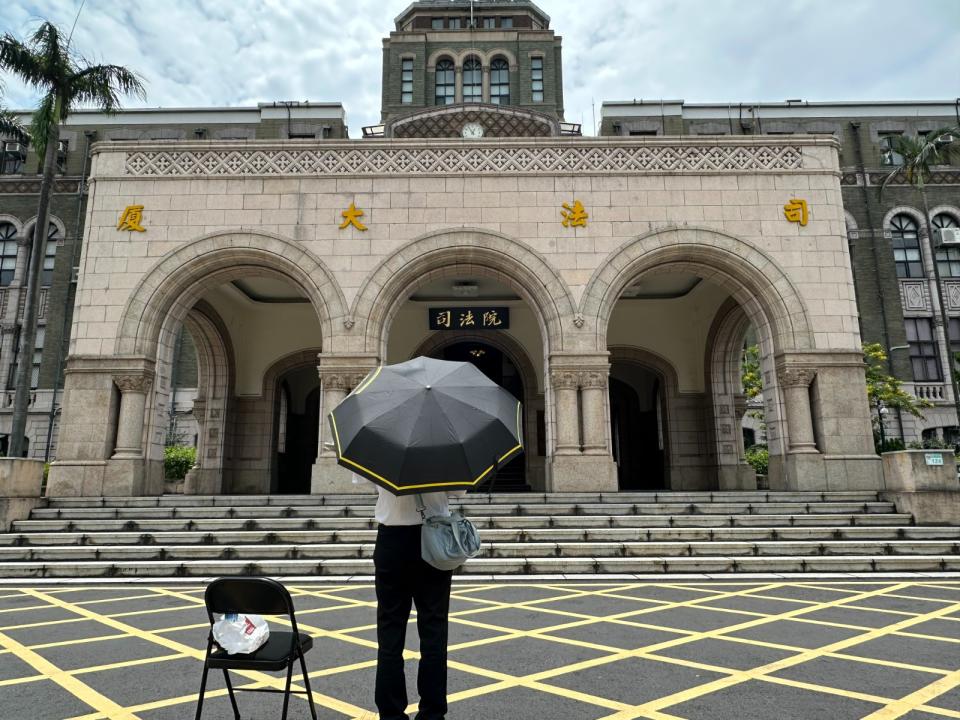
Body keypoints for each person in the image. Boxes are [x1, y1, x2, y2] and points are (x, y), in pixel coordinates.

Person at [365, 476, 466, 720]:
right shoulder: (444, 444)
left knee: (389, 629)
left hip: (392, 540)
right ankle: (432, 714)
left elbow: (369, 481)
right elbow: (457, 490)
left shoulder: (379, 442)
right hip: (434, 536)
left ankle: (390, 714)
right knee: (434, 628)